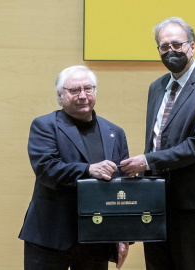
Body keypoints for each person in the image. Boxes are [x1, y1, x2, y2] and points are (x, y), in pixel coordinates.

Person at [120, 17, 195, 270]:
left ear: (192, 46)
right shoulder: (156, 87)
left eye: (177, 44)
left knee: (189, 264)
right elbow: (155, 139)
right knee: (156, 264)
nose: (171, 51)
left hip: (191, 199)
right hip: (154, 195)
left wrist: (148, 161)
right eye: (164, 46)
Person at [19, 65, 129, 270]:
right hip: (50, 236)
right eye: (74, 90)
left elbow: (121, 188)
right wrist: (88, 170)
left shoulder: (115, 132)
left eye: (88, 88)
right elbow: (46, 170)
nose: (83, 95)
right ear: (60, 96)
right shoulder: (44, 125)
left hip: (96, 238)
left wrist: (122, 236)